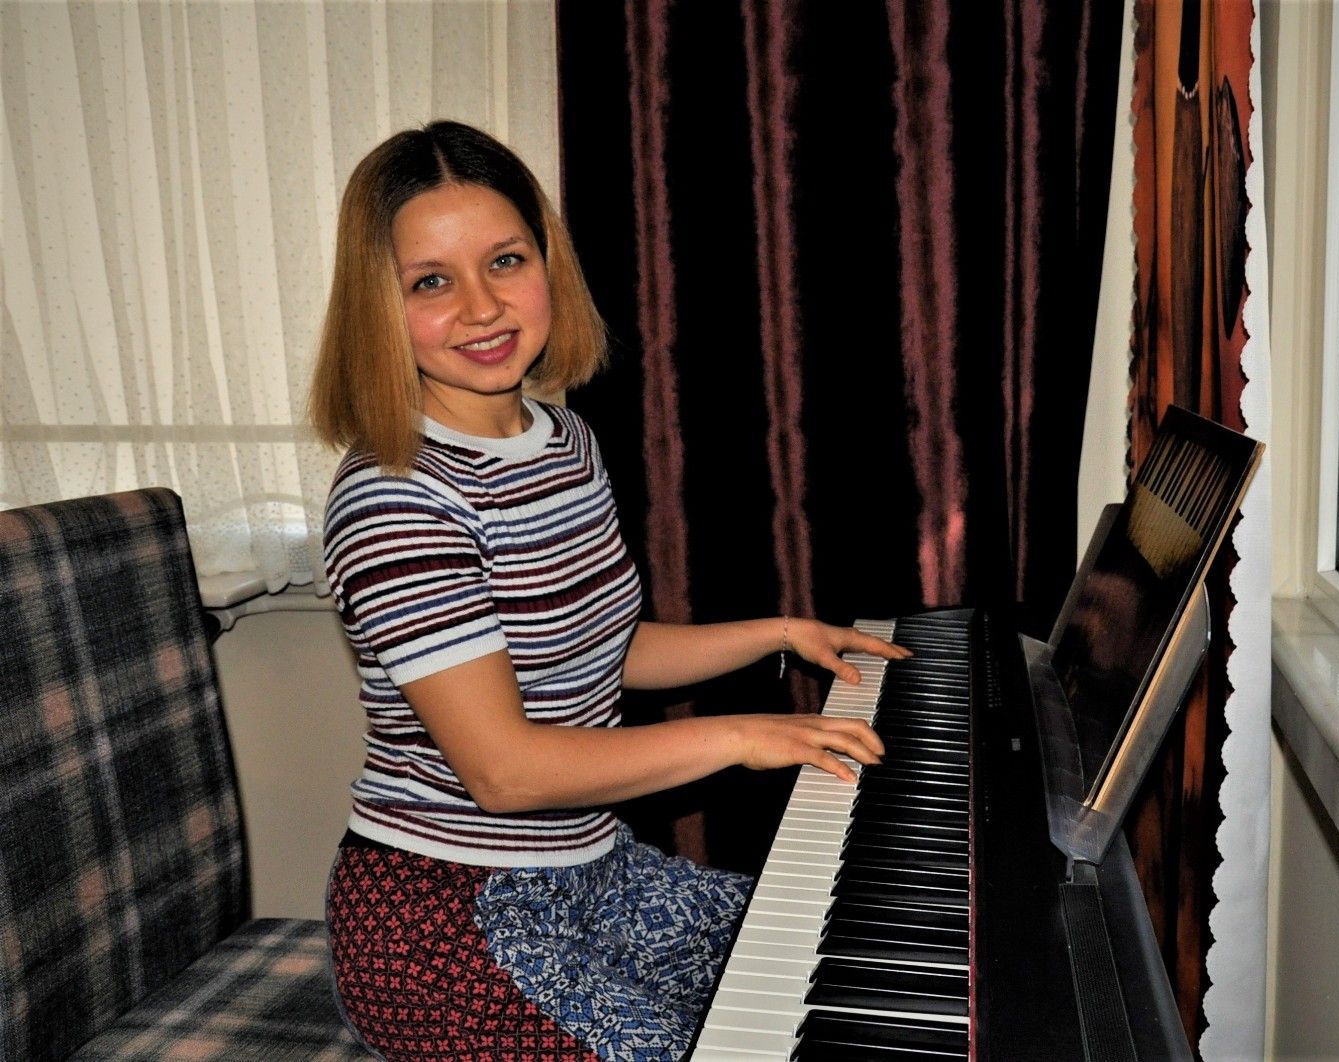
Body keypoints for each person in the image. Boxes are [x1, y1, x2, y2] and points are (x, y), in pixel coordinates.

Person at [307, 119, 906, 1061]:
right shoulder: (395, 496)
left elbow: (604, 645)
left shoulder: (564, 441)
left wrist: (785, 631)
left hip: (595, 871)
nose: (481, 307)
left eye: (505, 261)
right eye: (431, 281)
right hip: (445, 917)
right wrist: (743, 737)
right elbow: (505, 772)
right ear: (379, 306)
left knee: (845, 964)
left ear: (547, 262)